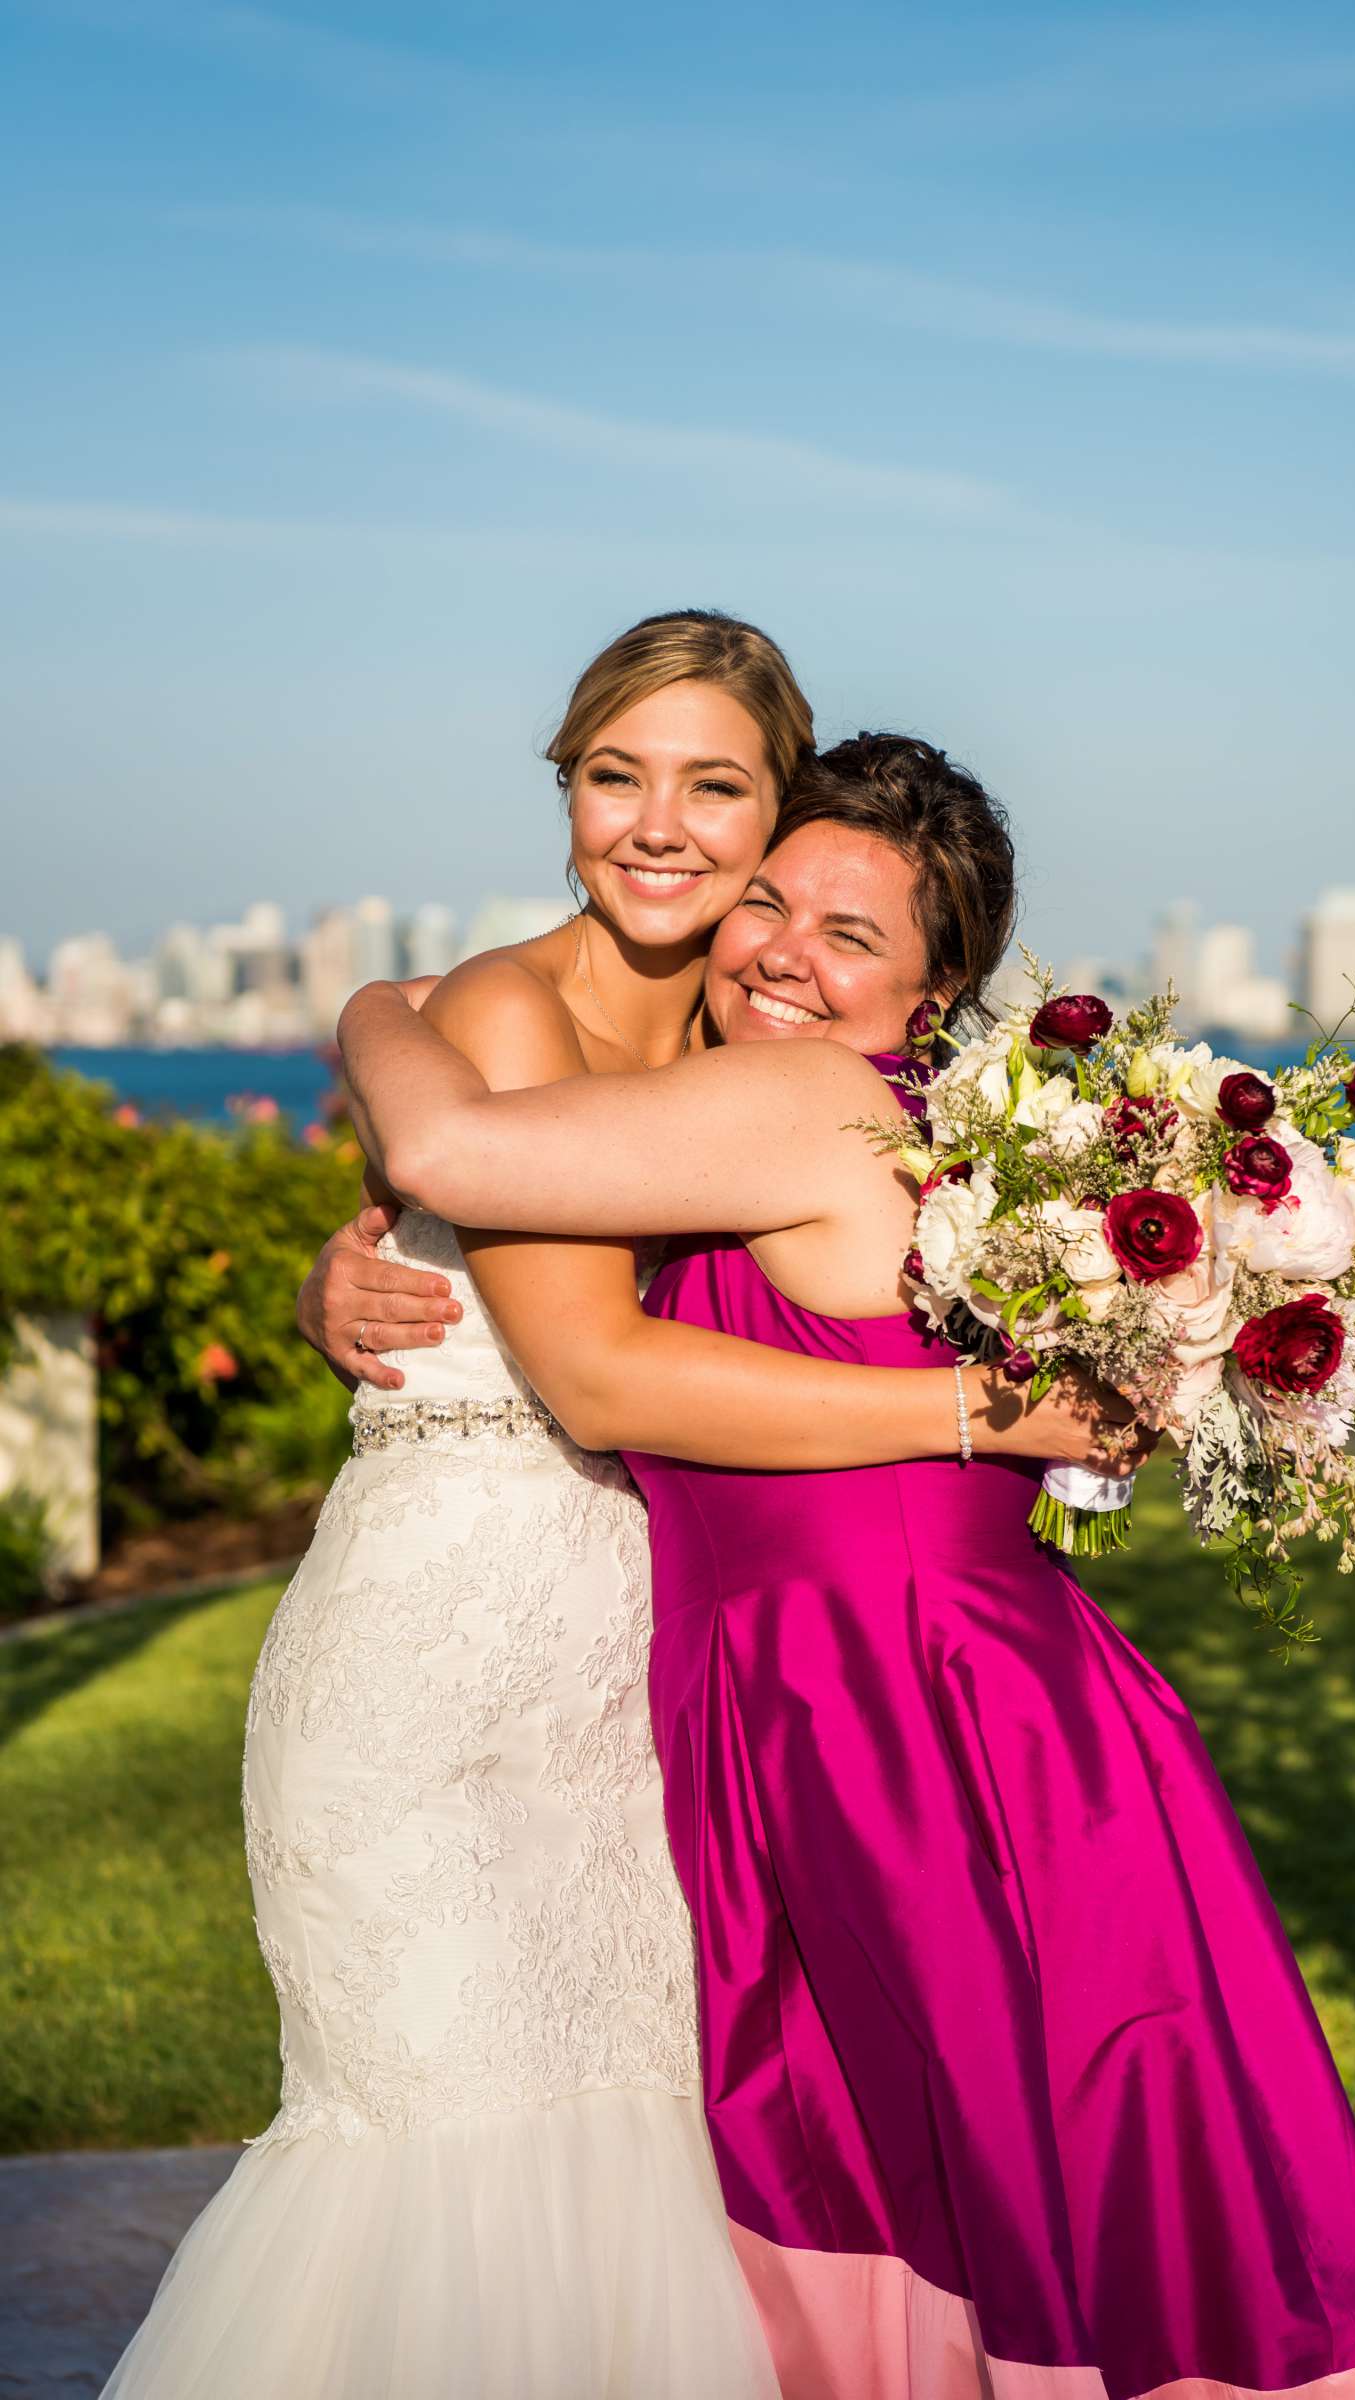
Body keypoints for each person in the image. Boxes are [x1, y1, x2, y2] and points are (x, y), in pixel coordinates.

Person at [335, 735, 1355, 2400]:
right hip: (920, 1697)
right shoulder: (933, 1150)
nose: (783, 948)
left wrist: (371, 1009)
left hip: (908, 1719)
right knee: (1001, 2171)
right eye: (767, 900)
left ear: (928, 1004)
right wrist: (335, 1283)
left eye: (848, 937)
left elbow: (450, 1164)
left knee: (975, 2166)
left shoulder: (800, 1099)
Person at [105, 616, 1135, 2400]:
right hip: (431, 1682)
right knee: (435, 2167)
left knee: (635, 2170)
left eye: (712, 787)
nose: (655, 826)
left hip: (638, 1685)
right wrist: (976, 1411)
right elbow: (583, 1371)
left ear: (778, 823)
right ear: (565, 794)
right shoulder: (495, 1011)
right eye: (612, 776)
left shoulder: (758, 1043)